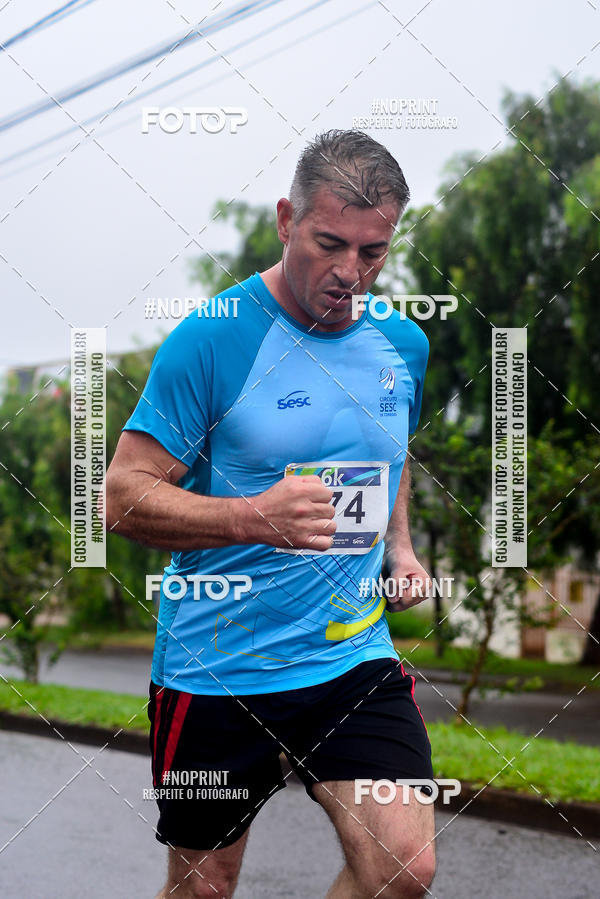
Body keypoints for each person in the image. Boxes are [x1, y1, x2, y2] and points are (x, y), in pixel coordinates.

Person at [106, 129, 435, 898]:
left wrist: (402, 548)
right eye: (330, 244)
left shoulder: (403, 343)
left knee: (402, 866)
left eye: (373, 252)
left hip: (349, 656)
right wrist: (253, 517)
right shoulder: (212, 339)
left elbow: (392, 453)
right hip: (218, 665)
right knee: (205, 886)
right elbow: (121, 496)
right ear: (287, 219)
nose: (350, 273)